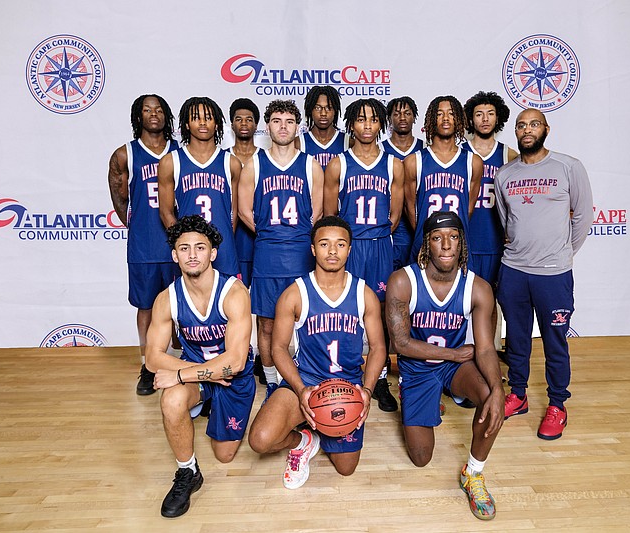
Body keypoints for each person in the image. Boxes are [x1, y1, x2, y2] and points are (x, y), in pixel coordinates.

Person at [247, 216, 386, 489]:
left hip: (346, 388)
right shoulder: (294, 294)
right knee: (260, 439)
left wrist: (367, 391)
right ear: (313, 249)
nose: (332, 251)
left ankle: (320, 425)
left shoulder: (363, 294)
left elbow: (379, 347)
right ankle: (303, 441)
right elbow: (277, 348)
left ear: (349, 249)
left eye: (340, 244)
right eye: (324, 244)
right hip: (306, 380)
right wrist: (300, 390)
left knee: (346, 469)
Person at [385, 212, 505, 520]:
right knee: (421, 458)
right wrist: (452, 354)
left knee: (491, 402)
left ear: (462, 243)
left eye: (453, 237)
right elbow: (400, 345)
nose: (446, 245)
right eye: (438, 238)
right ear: (427, 245)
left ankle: (473, 474)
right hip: (419, 367)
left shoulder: (477, 288)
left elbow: (487, 347)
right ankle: (416, 399)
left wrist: (497, 389)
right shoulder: (403, 280)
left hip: (455, 368)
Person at [145, 215, 255, 518]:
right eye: (184, 248)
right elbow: (153, 357)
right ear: (174, 255)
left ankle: (208, 407)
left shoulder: (233, 293)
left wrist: (181, 373)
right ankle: (188, 472)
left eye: (200, 247)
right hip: (203, 374)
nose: (192, 255)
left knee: (225, 456)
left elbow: (234, 362)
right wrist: (204, 374)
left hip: (234, 378)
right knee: (172, 398)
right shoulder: (167, 299)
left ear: (213, 253)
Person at [495, 109, 593, 440]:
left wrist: (562, 254)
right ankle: (518, 394)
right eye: (521, 125)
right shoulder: (505, 174)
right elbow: (506, 221)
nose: (527, 130)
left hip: (553, 274)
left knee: (554, 341)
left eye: (533, 124)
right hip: (513, 271)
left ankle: (557, 405)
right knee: (517, 338)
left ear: (546, 129)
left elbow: (582, 216)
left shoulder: (568, 167)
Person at [238, 99, 324, 400]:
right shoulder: (255, 165)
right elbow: (245, 211)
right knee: (266, 323)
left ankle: (303, 376)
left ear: (298, 126)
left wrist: (296, 236)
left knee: (305, 320)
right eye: (276, 121)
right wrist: (270, 234)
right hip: (267, 255)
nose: (283, 126)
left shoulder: (311, 166)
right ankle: (273, 381)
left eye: (289, 121)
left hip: (301, 253)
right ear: (268, 126)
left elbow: (317, 213)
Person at [323, 98, 403, 412]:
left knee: (382, 313)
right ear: (351, 125)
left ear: (381, 124)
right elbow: (330, 217)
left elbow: (395, 215)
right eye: (360, 119)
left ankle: (380, 377)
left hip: (380, 245)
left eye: (373, 119)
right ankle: (349, 371)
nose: (367, 126)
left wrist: (378, 236)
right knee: (348, 310)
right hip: (351, 247)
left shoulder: (393, 164)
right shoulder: (338, 164)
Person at [107, 94, 180, 396]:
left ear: (167, 117)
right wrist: (138, 227)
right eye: (148, 110)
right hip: (145, 246)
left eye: (159, 110)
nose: (154, 115)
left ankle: (182, 362)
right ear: (138, 116)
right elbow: (120, 199)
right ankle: (148, 365)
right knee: (147, 308)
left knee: (184, 307)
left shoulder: (181, 151)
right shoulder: (125, 155)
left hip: (178, 244)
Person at [158, 97, 241, 278]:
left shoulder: (231, 163)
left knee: (229, 302)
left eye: (209, 117)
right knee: (187, 303)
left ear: (217, 123)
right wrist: (184, 242)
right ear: (186, 124)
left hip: (224, 248)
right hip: (190, 251)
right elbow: (166, 212)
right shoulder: (170, 162)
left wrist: (219, 241)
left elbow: (234, 213)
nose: (203, 122)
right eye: (196, 117)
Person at [461, 91, 519, 354]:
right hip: (466, 239)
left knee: (494, 301)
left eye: (490, 113)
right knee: (463, 301)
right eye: (479, 114)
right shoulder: (460, 152)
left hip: (496, 240)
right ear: (471, 120)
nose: (485, 119)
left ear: (499, 118)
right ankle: (465, 353)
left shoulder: (509, 155)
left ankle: (492, 352)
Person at [404, 96, 483, 261]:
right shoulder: (414, 161)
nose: (446, 118)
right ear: (432, 120)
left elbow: (468, 209)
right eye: (439, 114)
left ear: (459, 120)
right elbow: (410, 208)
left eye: (451, 113)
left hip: (457, 244)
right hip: (424, 242)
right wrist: (426, 236)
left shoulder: (473, 162)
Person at [381, 96, 424, 270]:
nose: (403, 117)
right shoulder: (380, 150)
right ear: (390, 119)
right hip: (391, 225)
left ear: (414, 117)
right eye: (397, 114)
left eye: (407, 113)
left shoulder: (425, 148)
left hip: (419, 222)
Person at [228, 98, 261, 288]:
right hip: (232, 238)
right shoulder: (222, 157)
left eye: (249, 119)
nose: (244, 123)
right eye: (239, 119)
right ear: (232, 124)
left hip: (259, 236)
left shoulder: (266, 158)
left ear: (256, 124)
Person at [296, 85, 346, 169]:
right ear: (310, 110)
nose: (323, 113)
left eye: (328, 108)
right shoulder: (298, 143)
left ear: (335, 111)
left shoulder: (348, 143)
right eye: (317, 108)